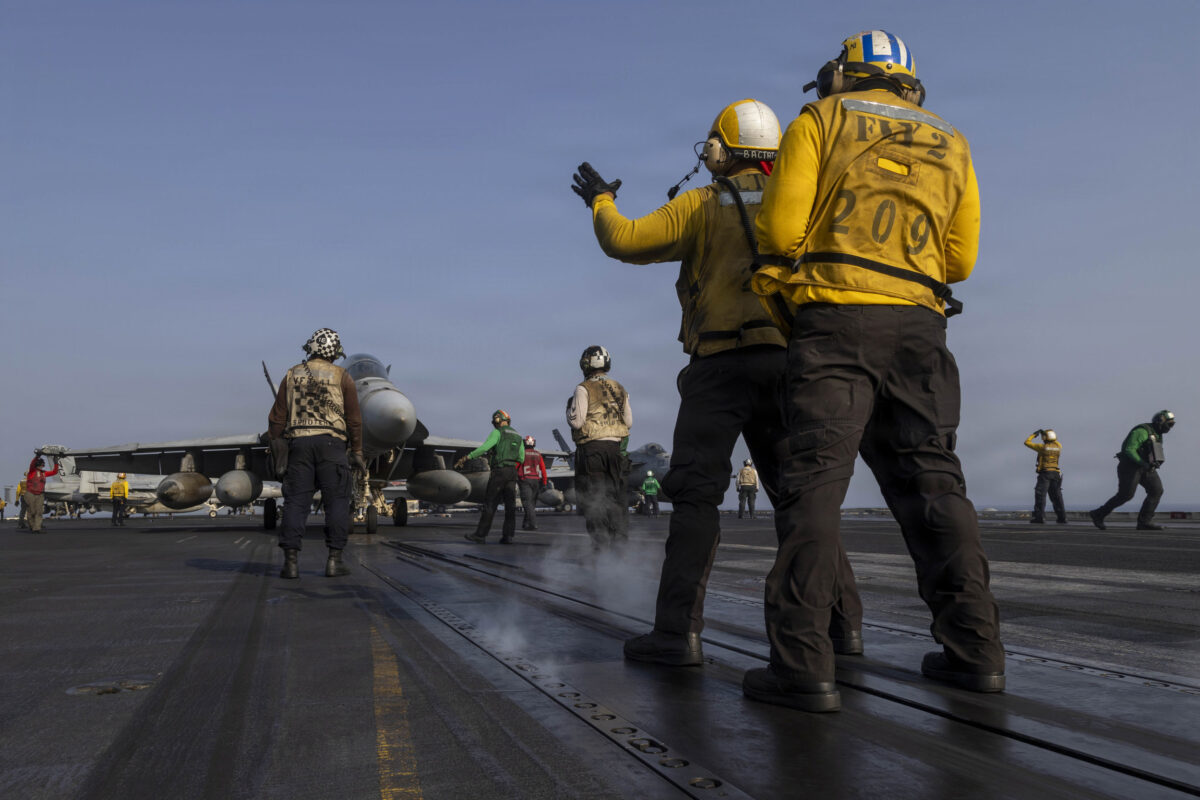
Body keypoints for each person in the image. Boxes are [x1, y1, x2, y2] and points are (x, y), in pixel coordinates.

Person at [749, 30, 1005, 710]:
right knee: (936, 484)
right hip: (921, 327)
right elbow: (960, 261)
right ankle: (976, 652)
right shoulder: (952, 139)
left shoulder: (819, 119)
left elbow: (780, 234)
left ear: (842, 72)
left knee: (813, 488)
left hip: (836, 321)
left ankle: (803, 666)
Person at [572, 100, 863, 667]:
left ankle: (678, 634)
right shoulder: (805, 202)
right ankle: (842, 625)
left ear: (718, 149)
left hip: (719, 367)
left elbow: (623, 240)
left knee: (696, 497)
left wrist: (601, 200)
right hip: (788, 364)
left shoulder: (702, 203)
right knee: (803, 500)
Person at [267, 327, 365, 579]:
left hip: (299, 446)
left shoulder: (292, 375)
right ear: (335, 353)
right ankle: (334, 561)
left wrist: (278, 449)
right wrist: (357, 451)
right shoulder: (342, 376)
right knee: (337, 503)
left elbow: (276, 419)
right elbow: (354, 420)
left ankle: (290, 564)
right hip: (332, 447)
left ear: (309, 347)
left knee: (296, 503)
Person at [566, 346, 633, 550]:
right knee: (615, 497)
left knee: (593, 497)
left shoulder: (583, 388)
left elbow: (577, 422)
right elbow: (628, 422)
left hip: (592, 449)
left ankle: (600, 547)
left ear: (585, 364)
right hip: (615, 449)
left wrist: (569, 410)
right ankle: (619, 546)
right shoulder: (620, 387)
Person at [1090, 410, 1175, 531]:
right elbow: (1129, 449)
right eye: (1169, 424)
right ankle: (1098, 514)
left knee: (1156, 490)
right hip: (1130, 466)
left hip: (1145, 467)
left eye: (1172, 425)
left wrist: (1155, 462)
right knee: (1126, 495)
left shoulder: (1157, 434)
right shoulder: (1141, 431)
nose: (1170, 428)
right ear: (1160, 421)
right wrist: (1143, 463)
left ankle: (1144, 522)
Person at [458, 410, 525, 543]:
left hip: (499, 472)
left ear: (498, 420)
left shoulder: (497, 432)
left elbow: (484, 448)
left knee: (490, 504)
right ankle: (508, 537)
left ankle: (480, 535)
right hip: (512, 472)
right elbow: (521, 458)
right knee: (510, 506)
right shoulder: (518, 435)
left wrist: (468, 457)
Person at [1024, 429, 1066, 524]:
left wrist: (1034, 435)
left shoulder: (1042, 447)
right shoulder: (1058, 446)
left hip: (1045, 473)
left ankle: (1040, 518)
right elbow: (1055, 441)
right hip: (1056, 474)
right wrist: (1048, 435)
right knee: (1057, 496)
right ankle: (1062, 518)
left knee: (1040, 495)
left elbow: (1027, 442)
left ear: (1045, 438)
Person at [517, 435, 548, 531]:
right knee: (532, 504)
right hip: (536, 481)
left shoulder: (522, 453)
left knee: (527, 503)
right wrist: (544, 482)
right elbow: (543, 469)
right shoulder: (538, 454)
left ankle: (533, 524)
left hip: (525, 480)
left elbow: (516, 466)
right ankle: (526, 524)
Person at [23, 455, 61, 534]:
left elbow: (54, 472)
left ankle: (37, 528)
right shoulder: (32, 471)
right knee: (31, 512)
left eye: (42, 465)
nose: (42, 466)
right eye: (40, 465)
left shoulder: (44, 473)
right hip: (30, 494)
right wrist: (37, 456)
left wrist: (56, 463)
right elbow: (32, 463)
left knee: (39, 512)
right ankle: (32, 526)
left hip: (40, 494)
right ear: (37, 465)